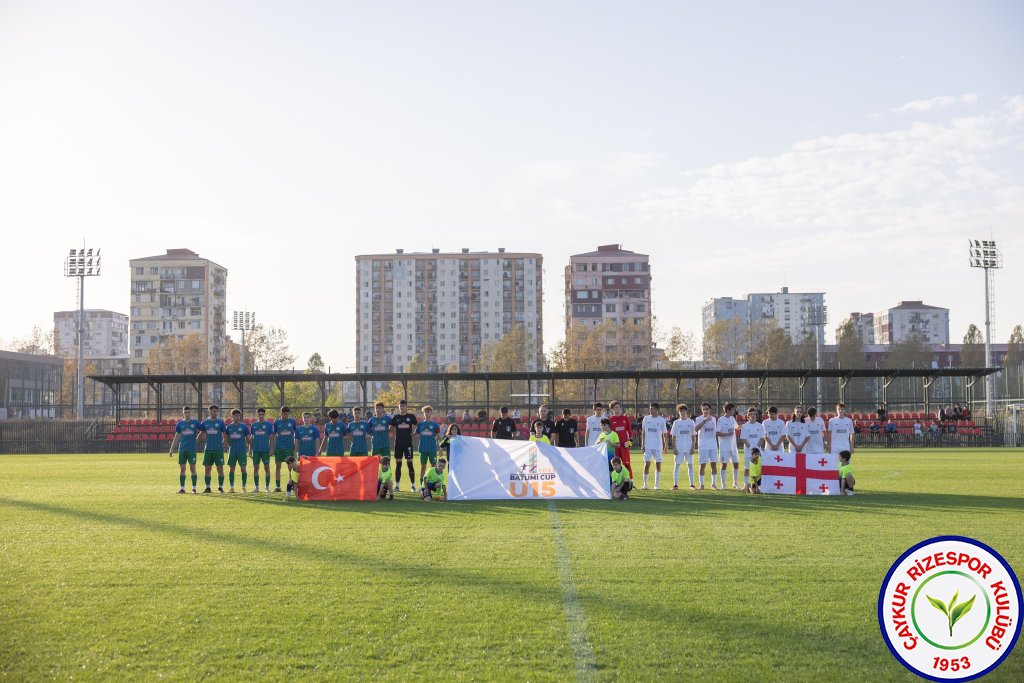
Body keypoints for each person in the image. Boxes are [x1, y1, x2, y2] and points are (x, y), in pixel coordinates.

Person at [168, 405, 201, 494]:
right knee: (182, 469)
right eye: (185, 412)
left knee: (192, 468)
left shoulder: (195, 423)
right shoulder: (180, 424)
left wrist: (198, 437)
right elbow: (177, 436)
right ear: (183, 413)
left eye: (188, 412)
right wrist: (171, 449)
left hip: (192, 449)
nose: (187, 414)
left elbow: (203, 430)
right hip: (182, 449)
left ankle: (194, 488)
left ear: (191, 413)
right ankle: (182, 488)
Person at [197, 404, 227, 494]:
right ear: (209, 411)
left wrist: (222, 445)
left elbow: (225, 436)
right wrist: (195, 443)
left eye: (216, 411)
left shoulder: (221, 422)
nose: (215, 413)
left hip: (218, 450)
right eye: (214, 411)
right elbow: (201, 434)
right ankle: (207, 488)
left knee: (220, 469)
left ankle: (220, 488)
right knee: (207, 469)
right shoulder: (205, 423)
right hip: (208, 449)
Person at [390, 399, 418, 492]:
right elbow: (391, 428)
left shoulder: (411, 416)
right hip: (398, 443)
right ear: (399, 407)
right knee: (398, 464)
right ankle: (397, 486)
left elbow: (416, 426)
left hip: (408, 443)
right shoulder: (396, 417)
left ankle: (413, 485)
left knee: (410, 463)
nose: (402, 407)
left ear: (406, 407)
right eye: (400, 406)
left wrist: (414, 432)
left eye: (403, 406)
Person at [640, 402, 667, 490]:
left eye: (653, 409)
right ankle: (645, 484)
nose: (651, 410)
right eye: (650, 409)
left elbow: (664, 433)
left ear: (657, 410)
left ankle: (656, 485)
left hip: (658, 446)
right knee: (647, 464)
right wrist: (643, 444)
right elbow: (643, 432)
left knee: (658, 464)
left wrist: (665, 445)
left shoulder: (661, 420)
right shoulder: (646, 418)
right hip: (648, 445)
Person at [270, 406, 298, 493]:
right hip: (279, 448)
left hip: (289, 448)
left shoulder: (292, 421)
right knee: (278, 467)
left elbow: (296, 434)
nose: (286, 415)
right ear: (281, 413)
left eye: (287, 413)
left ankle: (291, 485)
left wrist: (294, 448)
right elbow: (273, 435)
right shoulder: (276, 422)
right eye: (284, 413)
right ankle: (278, 487)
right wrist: (273, 448)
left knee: (291, 467)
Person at [669, 404, 696, 490]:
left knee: (690, 465)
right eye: (680, 411)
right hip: (679, 448)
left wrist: (693, 447)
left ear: (686, 412)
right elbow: (673, 436)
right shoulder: (676, 422)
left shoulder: (691, 422)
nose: (682, 412)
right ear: (678, 412)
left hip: (688, 448)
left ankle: (692, 485)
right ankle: (675, 485)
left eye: (683, 411)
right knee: (677, 465)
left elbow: (693, 436)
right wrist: (674, 447)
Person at [739, 406, 765, 492]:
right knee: (747, 468)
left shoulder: (760, 426)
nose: (753, 415)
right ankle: (746, 485)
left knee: (758, 469)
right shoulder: (745, 426)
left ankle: (758, 485)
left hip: (758, 451)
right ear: (748, 415)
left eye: (754, 414)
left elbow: (762, 438)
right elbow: (743, 438)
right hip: (748, 451)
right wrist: (750, 447)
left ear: (756, 415)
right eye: (751, 414)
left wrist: (757, 447)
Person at [225, 408, 250, 493]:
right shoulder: (229, 427)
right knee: (232, 469)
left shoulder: (243, 426)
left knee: (243, 469)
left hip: (242, 451)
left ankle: (243, 487)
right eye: (236, 415)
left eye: (239, 415)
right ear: (232, 416)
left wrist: (249, 446)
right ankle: (232, 488)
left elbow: (248, 438)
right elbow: (226, 437)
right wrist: (229, 445)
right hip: (232, 451)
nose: (238, 417)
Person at [416, 405, 441, 490]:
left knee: (434, 467)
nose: (427, 413)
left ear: (431, 413)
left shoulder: (435, 425)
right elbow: (416, 434)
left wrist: (441, 447)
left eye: (428, 411)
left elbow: (438, 436)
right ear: (424, 413)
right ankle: (421, 485)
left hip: (432, 449)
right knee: (423, 467)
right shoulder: (420, 424)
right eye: (425, 412)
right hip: (423, 449)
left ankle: (434, 485)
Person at [249, 407, 274, 493]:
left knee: (266, 468)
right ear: (257, 415)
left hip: (265, 450)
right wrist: (250, 449)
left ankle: (267, 487)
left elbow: (271, 438)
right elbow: (252, 437)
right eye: (259, 414)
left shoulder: (268, 425)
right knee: (256, 468)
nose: (261, 416)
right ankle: (257, 488)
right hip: (256, 450)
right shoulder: (253, 425)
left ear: (264, 415)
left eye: (262, 414)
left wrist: (271, 448)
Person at [716, 402, 740, 489]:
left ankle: (735, 483)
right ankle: (723, 485)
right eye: (733, 410)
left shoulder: (732, 418)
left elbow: (737, 427)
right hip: (724, 447)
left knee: (736, 464)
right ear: (727, 410)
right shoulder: (720, 420)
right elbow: (717, 432)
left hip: (733, 447)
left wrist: (745, 425)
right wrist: (727, 434)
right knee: (724, 465)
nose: (734, 411)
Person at [695, 402, 718, 490]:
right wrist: (704, 421)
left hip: (712, 445)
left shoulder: (714, 419)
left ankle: (713, 484)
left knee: (713, 465)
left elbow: (714, 432)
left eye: (707, 409)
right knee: (702, 465)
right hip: (703, 445)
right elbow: (696, 429)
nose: (705, 411)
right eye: (703, 409)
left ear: (710, 410)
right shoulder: (699, 419)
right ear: (701, 410)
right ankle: (702, 485)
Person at [608, 401, 634, 477]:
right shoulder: (610, 419)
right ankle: (615, 481)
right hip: (615, 446)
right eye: (616, 407)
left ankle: (630, 481)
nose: (618, 409)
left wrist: (629, 443)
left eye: (619, 407)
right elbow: (609, 433)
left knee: (627, 464)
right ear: (612, 409)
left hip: (624, 446)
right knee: (615, 465)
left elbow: (630, 431)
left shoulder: (625, 418)